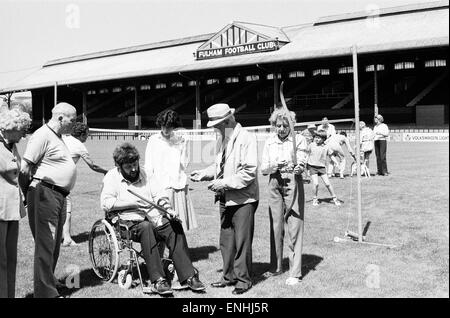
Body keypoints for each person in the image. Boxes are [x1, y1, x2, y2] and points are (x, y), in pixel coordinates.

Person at [100, 143, 205, 296]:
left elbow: (159, 196)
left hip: (152, 218)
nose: (134, 169)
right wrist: (132, 203)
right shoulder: (111, 176)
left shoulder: (146, 173)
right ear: (119, 166)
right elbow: (106, 203)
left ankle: (188, 277)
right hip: (127, 222)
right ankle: (158, 280)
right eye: (128, 166)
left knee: (173, 225)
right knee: (145, 227)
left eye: (135, 164)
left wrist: (168, 209)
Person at [190, 103, 259, 295]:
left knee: (242, 241)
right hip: (225, 197)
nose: (216, 129)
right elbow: (219, 166)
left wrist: (224, 183)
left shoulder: (246, 138)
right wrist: (204, 174)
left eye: (218, 125)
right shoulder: (224, 138)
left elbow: (249, 173)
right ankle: (229, 276)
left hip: (243, 199)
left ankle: (243, 280)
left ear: (228, 120)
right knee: (226, 240)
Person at [20, 102, 77, 298]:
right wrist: (27, 193)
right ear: (61, 118)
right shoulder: (42, 135)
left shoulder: (58, 137)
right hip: (45, 193)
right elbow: (24, 169)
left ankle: (49, 281)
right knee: (46, 244)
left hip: (58, 195)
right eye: (73, 119)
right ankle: (45, 293)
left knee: (53, 244)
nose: (74, 123)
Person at [260, 108, 308, 286]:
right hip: (274, 181)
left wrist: (299, 167)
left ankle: (295, 272)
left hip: (292, 181)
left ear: (291, 125)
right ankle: (276, 267)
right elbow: (263, 169)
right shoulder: (270, 141)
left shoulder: (300, 138)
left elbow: (302, 160)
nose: (280, 129)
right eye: (278, 125)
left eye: (284, 126)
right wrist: (274, 165)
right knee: (276, 224)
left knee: (295, 225)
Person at [145, 110, 197, 232]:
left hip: (177, 186)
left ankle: (178, 250)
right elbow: (148, 165)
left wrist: (184, 145)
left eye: (169, 126)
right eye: (163, 126)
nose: (166, 129)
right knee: (160, 224)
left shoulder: (180, 140)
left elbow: (184, 165)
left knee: (178, 225)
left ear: (174, 126)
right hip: (160, 186)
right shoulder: (153, 140)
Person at [0, 107, 31, 298]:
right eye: (22, 131)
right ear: (10, 127)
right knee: (0, 261)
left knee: (11, 260)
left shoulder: (11, 144)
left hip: (12, 209)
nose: (24, 136)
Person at [61, 122, 108, 247]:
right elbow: (92, 165)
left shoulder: (63, 138)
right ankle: (67, 238)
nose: (87, 137)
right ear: (81, 134)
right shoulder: (79, 145)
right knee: (67, 208)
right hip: (61, 180)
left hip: (46, 177)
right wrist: (107, 172)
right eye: (87, 135)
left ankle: (39, 237)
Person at [307, 130, 341, 206]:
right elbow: (306, 154)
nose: (317, 139)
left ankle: (335, 198)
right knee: (315, 184)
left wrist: (336, 162)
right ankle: (315, 199)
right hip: (312, 166)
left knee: (328, 184)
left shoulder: (326, 147)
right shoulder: (311, 145)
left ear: (323, 139)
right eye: (316, 137)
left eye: (319, 138)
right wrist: (306, 166)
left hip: (321, 167)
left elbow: (331, 155)